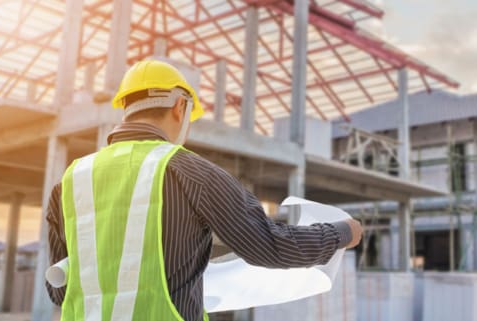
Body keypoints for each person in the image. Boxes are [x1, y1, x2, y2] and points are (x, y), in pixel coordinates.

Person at [45, 59, 363, 321]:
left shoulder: (70, 182)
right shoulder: (193, 174)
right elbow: (270, 245)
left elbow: (59, 290)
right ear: (179, 107)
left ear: (126, 108)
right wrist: (342, 232)